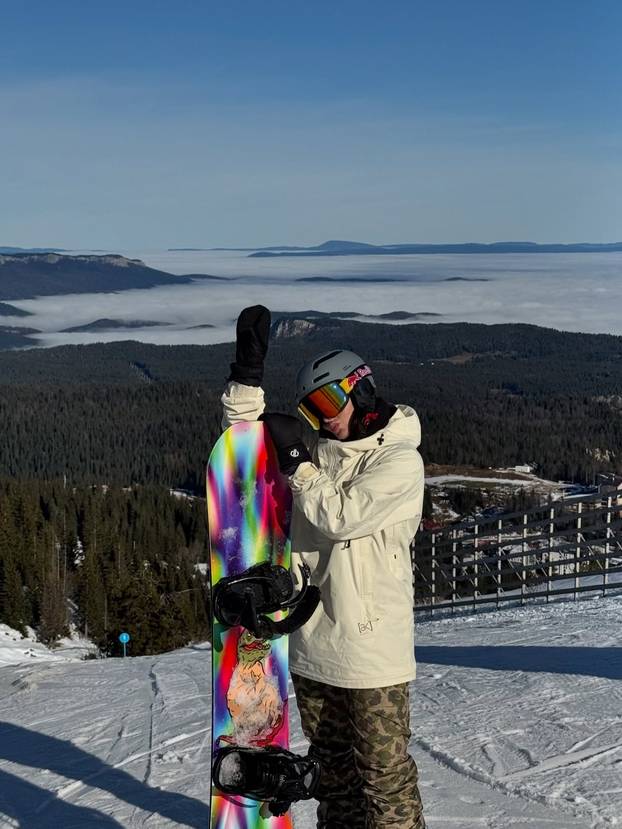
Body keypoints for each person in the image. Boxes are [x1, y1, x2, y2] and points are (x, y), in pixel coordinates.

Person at [221, 305, 426, 829]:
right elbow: (242, 445)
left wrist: (298, 463)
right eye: (310, 409)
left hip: (373, 653)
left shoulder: (399, 460)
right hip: (315, 646)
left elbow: (341, 516)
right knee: (333, 778)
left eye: (328, 402)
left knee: (384, 779)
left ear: (360, 390)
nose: (321, 417)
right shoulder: (319, 450)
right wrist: (246, 376)